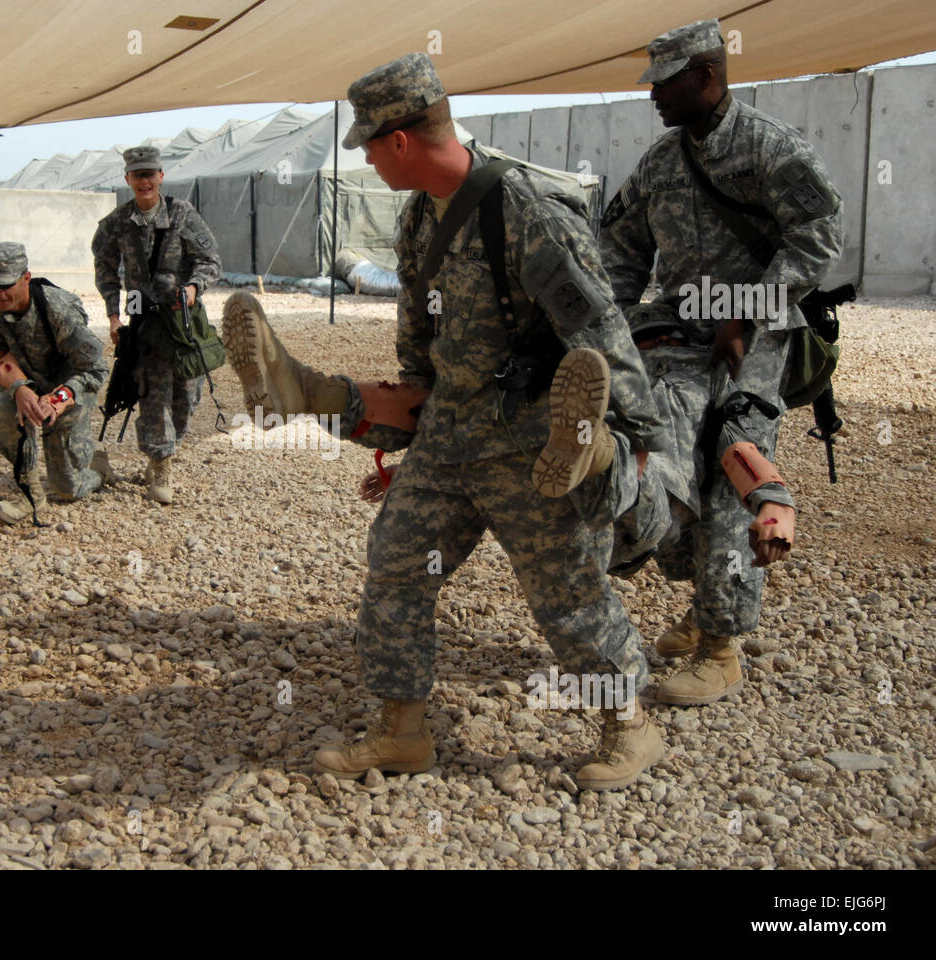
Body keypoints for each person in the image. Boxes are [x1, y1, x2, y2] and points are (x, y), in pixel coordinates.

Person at [225, 53, 677, 791]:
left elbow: (601, 331)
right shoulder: (418, 222)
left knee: (565, 596)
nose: (365, 159)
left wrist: (640, 443)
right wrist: (407, 438)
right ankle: (402, 731)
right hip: (451, 440)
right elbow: (420, 358)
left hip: (537, 443)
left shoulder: (525, 209)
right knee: (397, 561)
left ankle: (629, 722)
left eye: (368, 145)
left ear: (399, 139)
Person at [599, 18, 842, 703]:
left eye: (665, 82)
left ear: (706, 76)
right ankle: (705, 599)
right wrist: (610, 330)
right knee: (675, 459)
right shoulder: (660, 161)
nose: (653, 95)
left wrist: (749, 305)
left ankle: (723, 645)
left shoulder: (773, 150)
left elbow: (818, 239)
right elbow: (619, 246)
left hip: (755, 340)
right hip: (676, 336)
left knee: (735, 464)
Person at [91, 145, 222, 504]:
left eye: (150, 174)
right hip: (142, 314)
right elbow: (104, 268)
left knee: (188, 393)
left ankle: (164, 450)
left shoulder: (183, 214)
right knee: (153, 391)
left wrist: (195, 286)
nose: (144, 181)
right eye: (138, 175)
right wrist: (114, 315)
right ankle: (160, 460)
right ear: (128, 179)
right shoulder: (117, 222)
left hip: (182, 315)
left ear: (161, 177)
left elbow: (210, 260)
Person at [0, 241, 113, 524]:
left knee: (67, 489)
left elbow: (96, 368)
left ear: (26, 277)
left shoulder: (59, 309)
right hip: (28, 380)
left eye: (6, 285)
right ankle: (32, 496)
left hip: (70, 386)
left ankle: (99, 469)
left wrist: (57, 400)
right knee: (5, 407)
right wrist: (19, 390)